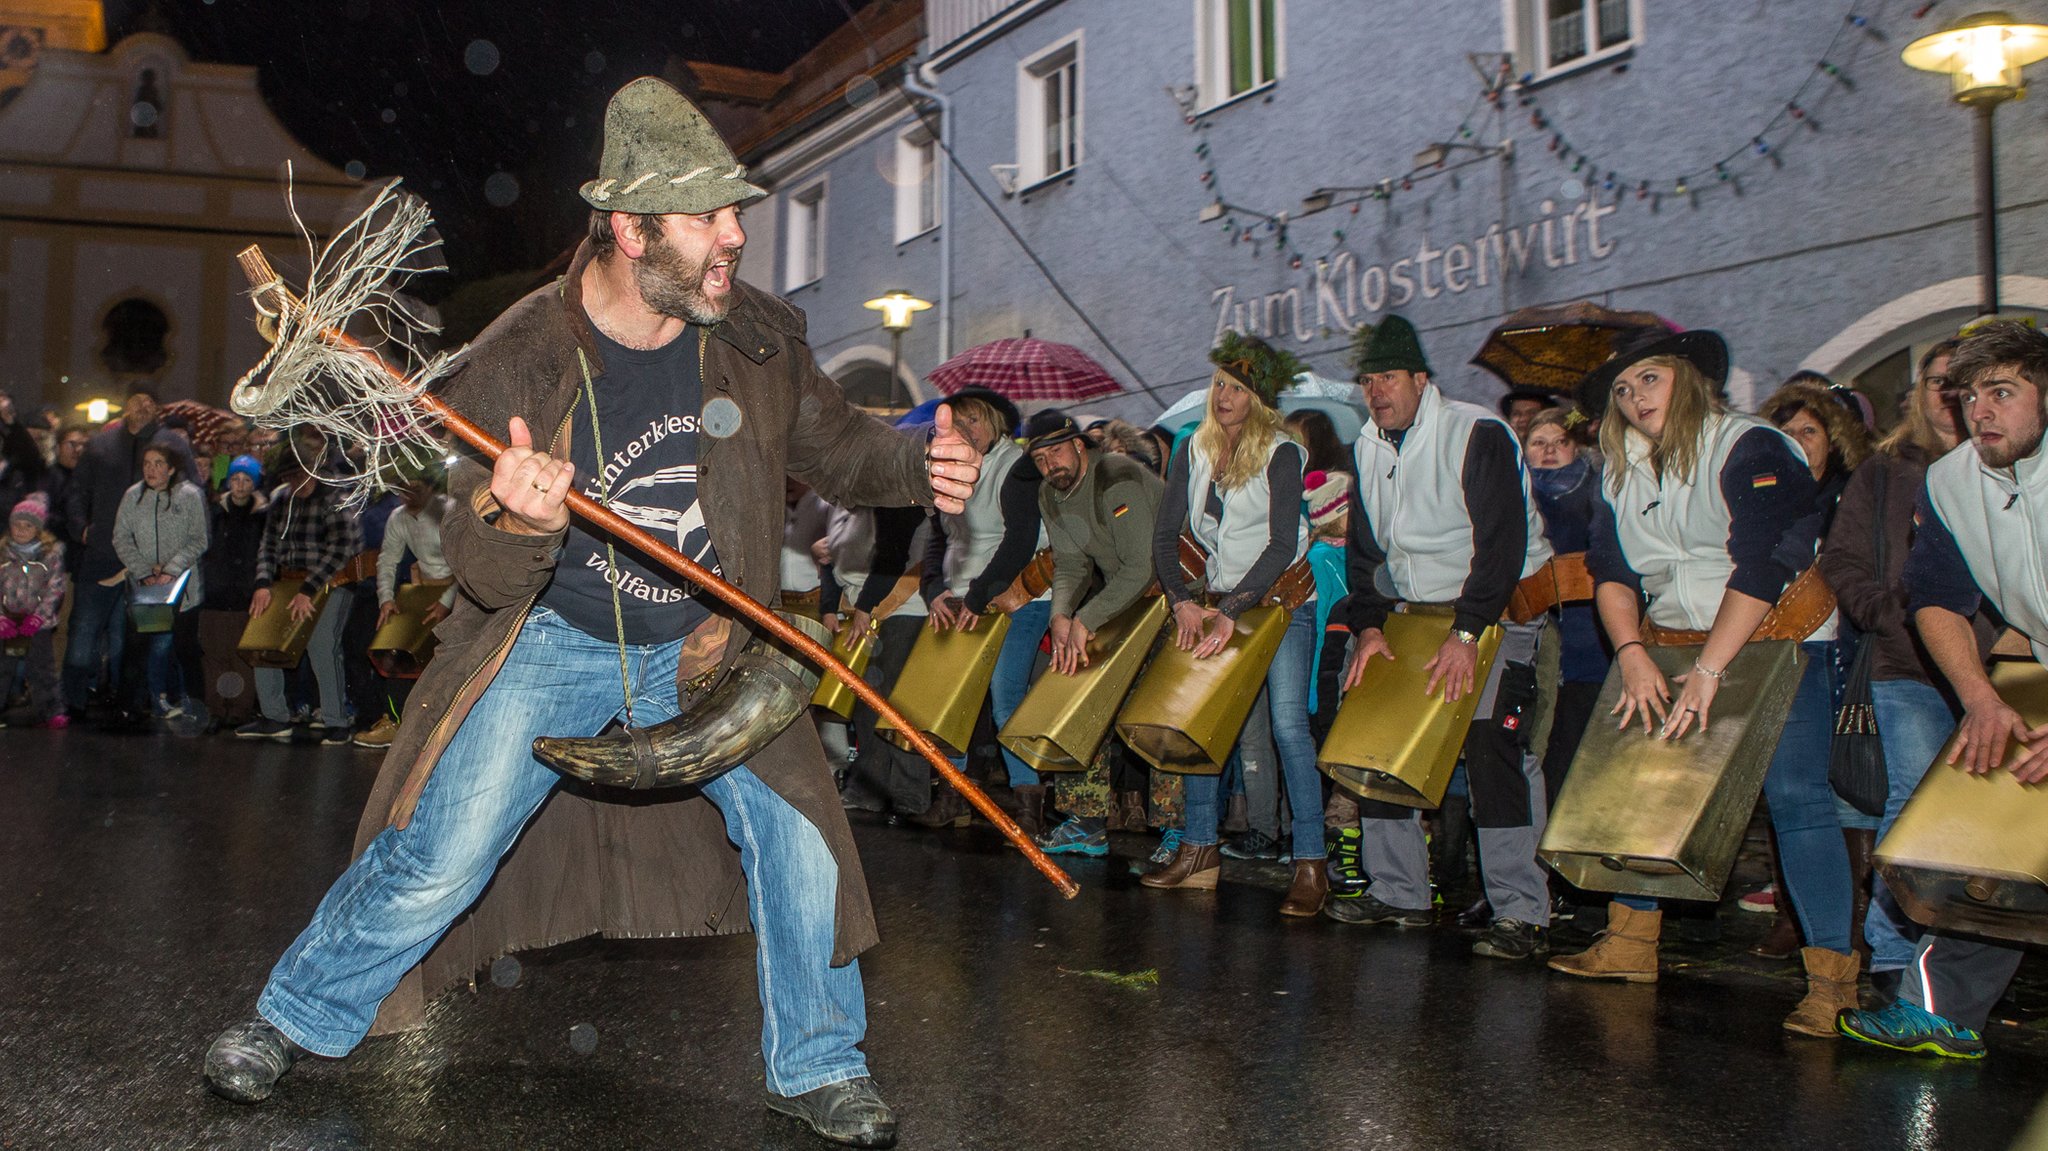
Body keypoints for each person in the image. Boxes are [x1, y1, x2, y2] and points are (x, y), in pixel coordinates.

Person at [202, 77, 981, 1149]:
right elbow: (478, 561)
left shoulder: (754, 335)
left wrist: (917, 460)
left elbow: (839, 446)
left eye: (735, 213)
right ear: (631, 229)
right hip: (555, 636)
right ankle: (291, 1018)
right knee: (440, 849)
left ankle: (815, 1065)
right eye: (711, 216)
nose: (736, 236)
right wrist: (517, 519)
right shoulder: (521, 351)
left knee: (802, 841)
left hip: (715, 644)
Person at [1547, 328, 1857, 1038]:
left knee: (1797, 802)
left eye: (1648, 379)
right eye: (1622, 391)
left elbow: (1762, 562)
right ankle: (1629, 942)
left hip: (1777, 636)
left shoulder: (1748, 444)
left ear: (1688, 379)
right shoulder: (1622, 466)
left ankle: (1833, 979)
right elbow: (1613, 569)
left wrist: (1711, 670)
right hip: (1671, 639)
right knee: (1645, 793)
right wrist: (1630, 649)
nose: (1634, 398)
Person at [1838, 322, 2048, 1059]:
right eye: (1967, 395)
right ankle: (1941, 1010)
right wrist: (1980, 698)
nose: (1980, 410)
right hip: (2036, 667)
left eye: (2002, 391)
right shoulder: (1953, 479)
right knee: (1993, 836)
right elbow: (1933, 596)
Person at [1328, 315, 1557, 961]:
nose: (1377, 391)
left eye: (1390, 377)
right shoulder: (1367, 445)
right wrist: (1370, 626)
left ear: (1422, 379)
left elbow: (1501, 546)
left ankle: (1522, 910)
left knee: (1493, 747)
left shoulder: (1474, 431)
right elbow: (1365, 551)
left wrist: (1467, 631)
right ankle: (1400, 892)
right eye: (1369, 380)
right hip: (1409, 610)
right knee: (1379, 741)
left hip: (1492, 608)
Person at [1140, 333, 1326, 915]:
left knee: (1289, 726)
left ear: (1259, 399)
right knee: (1203, 720)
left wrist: (1231, 610)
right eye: (1220, 381)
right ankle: (1199, 852)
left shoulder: (1284, 452)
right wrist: (1181, 600)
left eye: (1237, 387)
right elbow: (1166, 536)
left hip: (1280, 601)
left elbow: (1278, 545)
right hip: (1217, 600)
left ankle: (1311, 863)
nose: (1223, 395)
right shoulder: (1191, 448)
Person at [1026, 409, 1167, 857]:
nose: (1052, 466)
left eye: (1057, 453)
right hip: (1120, 600)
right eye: (1041, 460)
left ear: (1079, 446)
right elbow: (1069, 564)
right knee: (1080, 688)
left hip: (1173, 596)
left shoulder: (1115, 477)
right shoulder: (1051, 494)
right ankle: (1085, 820)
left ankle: (1183, 833)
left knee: (1160, 713)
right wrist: (1061, 616)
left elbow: (1142, 566)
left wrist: (1085, 620)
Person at [918, 388, 1052, 832]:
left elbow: (1019, 540)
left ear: (996, 422)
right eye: (958, 422)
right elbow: (937, 538)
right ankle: (953, 794)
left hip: (1015, 596)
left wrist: (977, 596)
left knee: (1005, 695)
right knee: (948, 697)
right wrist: (934, 588)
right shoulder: (951, 468)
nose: (966, 429)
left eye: (974, 419)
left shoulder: (1017, 467)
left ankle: (1028, 804)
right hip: (960, 597)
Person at [232, 447, 362, 744]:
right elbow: (268, 545)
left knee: (322, 646)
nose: (295, 483)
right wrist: (263, 583)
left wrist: (308, 589)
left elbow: (338, 552)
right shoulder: (282, 499)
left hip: (331, 581)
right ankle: (275, 716)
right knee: (263, 637)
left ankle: (336, 720)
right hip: (288, 580)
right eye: (290, 477)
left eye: (300, 475)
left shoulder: (336, 501)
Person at [1522, 408, 1610, 815]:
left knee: (1584, 749)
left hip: (1589, 636)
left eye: (1560, 442)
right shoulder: (1514, 492)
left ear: (1577, 448)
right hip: (1536, 630)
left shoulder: (1597, 488)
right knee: (1545, 746)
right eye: (1539, 443)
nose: (1550, 451)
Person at [63, 384, 164, 721]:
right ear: (127, 405)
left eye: (150, 401)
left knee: (130, 641)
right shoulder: (102, 445)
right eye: (138, 400)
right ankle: (73, 700)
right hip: (102, 555)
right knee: (83, 636)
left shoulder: (166, 446)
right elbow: (77, 491)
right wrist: (82, 529)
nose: (144, 406)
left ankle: (126, 704)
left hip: (146, 559)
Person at [355, 475, 456, 749]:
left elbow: (465, 561)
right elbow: (388, 559)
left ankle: (437, 727)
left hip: (459, 591)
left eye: (414, 489)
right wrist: (386, 599)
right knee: (394, 650)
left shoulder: (448, 510)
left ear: (430, 488)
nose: (407, 496)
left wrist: (447, 600)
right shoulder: (398, 517)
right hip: (421, 588)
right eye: (402, 490)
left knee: (446, 660)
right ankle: (395, 721)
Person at [110, 442, 207, 718]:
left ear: (172, 468)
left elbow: (199, 539)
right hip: (145, 587)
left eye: (158, 464)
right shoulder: (133, 496)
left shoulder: (189, 495)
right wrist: (142, 571)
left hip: (182, 588)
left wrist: (172, 569)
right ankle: (128, 708)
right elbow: (121, 537)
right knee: (136, 647)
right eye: (147, 464)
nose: (151, 470)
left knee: (186, 648)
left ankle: (197, 707)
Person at [200, 454, 269, 727]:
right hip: (216, 593)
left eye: (246, 480)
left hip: (245, 594)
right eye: (235, 479)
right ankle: (216, 708)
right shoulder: (215, 513)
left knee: (241, 657)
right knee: (215, 655)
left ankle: (239, 709)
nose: (240, 485)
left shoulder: (262, 517)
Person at [0, 494, 67, 727]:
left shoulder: (51, 556)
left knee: (43, 668)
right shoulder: (2, 553)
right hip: (7, 621)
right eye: (16, 525)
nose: (20, 530)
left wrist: (39, 616)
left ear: (38, 529)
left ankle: (51, 710)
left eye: (27, 525)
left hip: (37, 622)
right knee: (2, 666)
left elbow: (55, 588)